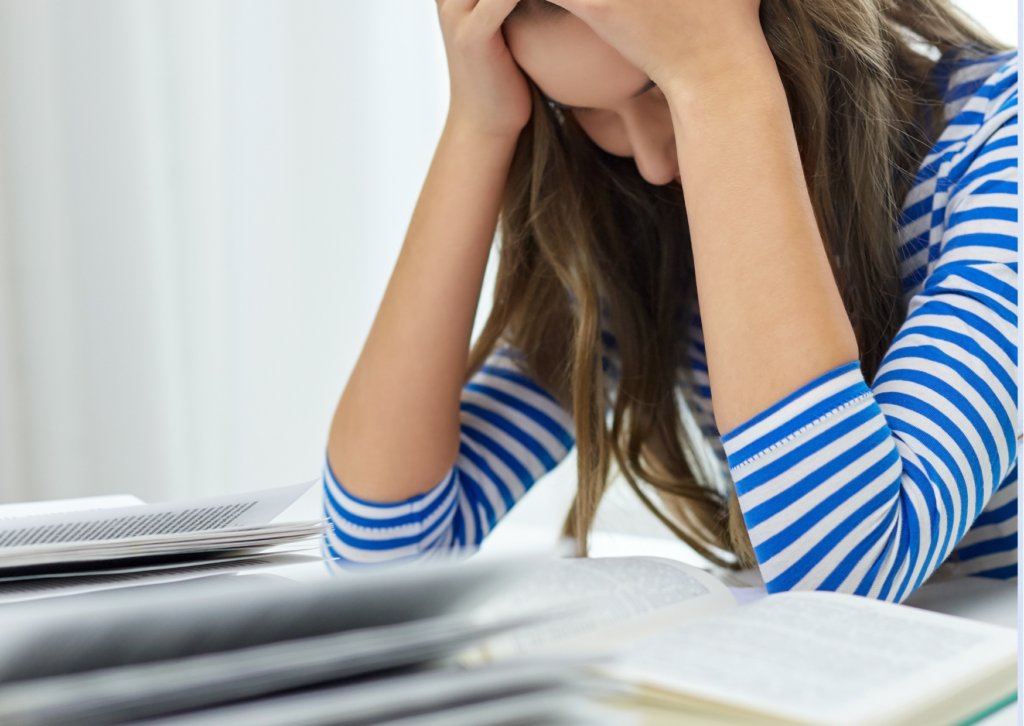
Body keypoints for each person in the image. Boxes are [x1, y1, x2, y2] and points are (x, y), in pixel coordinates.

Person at [323, 0, 1018, 600]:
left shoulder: (1000, 147)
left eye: (657, 86)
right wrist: (478, 126)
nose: (651, 162)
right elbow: (382, 555)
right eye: (587, 111)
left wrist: (718, 79)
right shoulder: (652, 226)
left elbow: (844, 567)